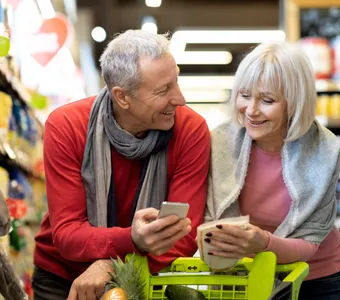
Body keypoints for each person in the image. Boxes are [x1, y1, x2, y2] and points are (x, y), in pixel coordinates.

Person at [32, 30, 210, 300]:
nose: (180, 98)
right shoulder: (67, 126)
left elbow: (182, 234)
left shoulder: (191, 130)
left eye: (176, 81)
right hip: (64, 277)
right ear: (122, 97)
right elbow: (67, 233)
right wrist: (133, 240)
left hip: (146, 275)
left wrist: (112, 264)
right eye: (164, 90)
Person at [204, 42, 340, 299]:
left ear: (294, 102)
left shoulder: (325, 149)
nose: (251, 110)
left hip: (320, 282)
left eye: (267, 100)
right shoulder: (218, 143)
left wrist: (262, 243)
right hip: (246, 279)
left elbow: (310, 243)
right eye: (244, 95)